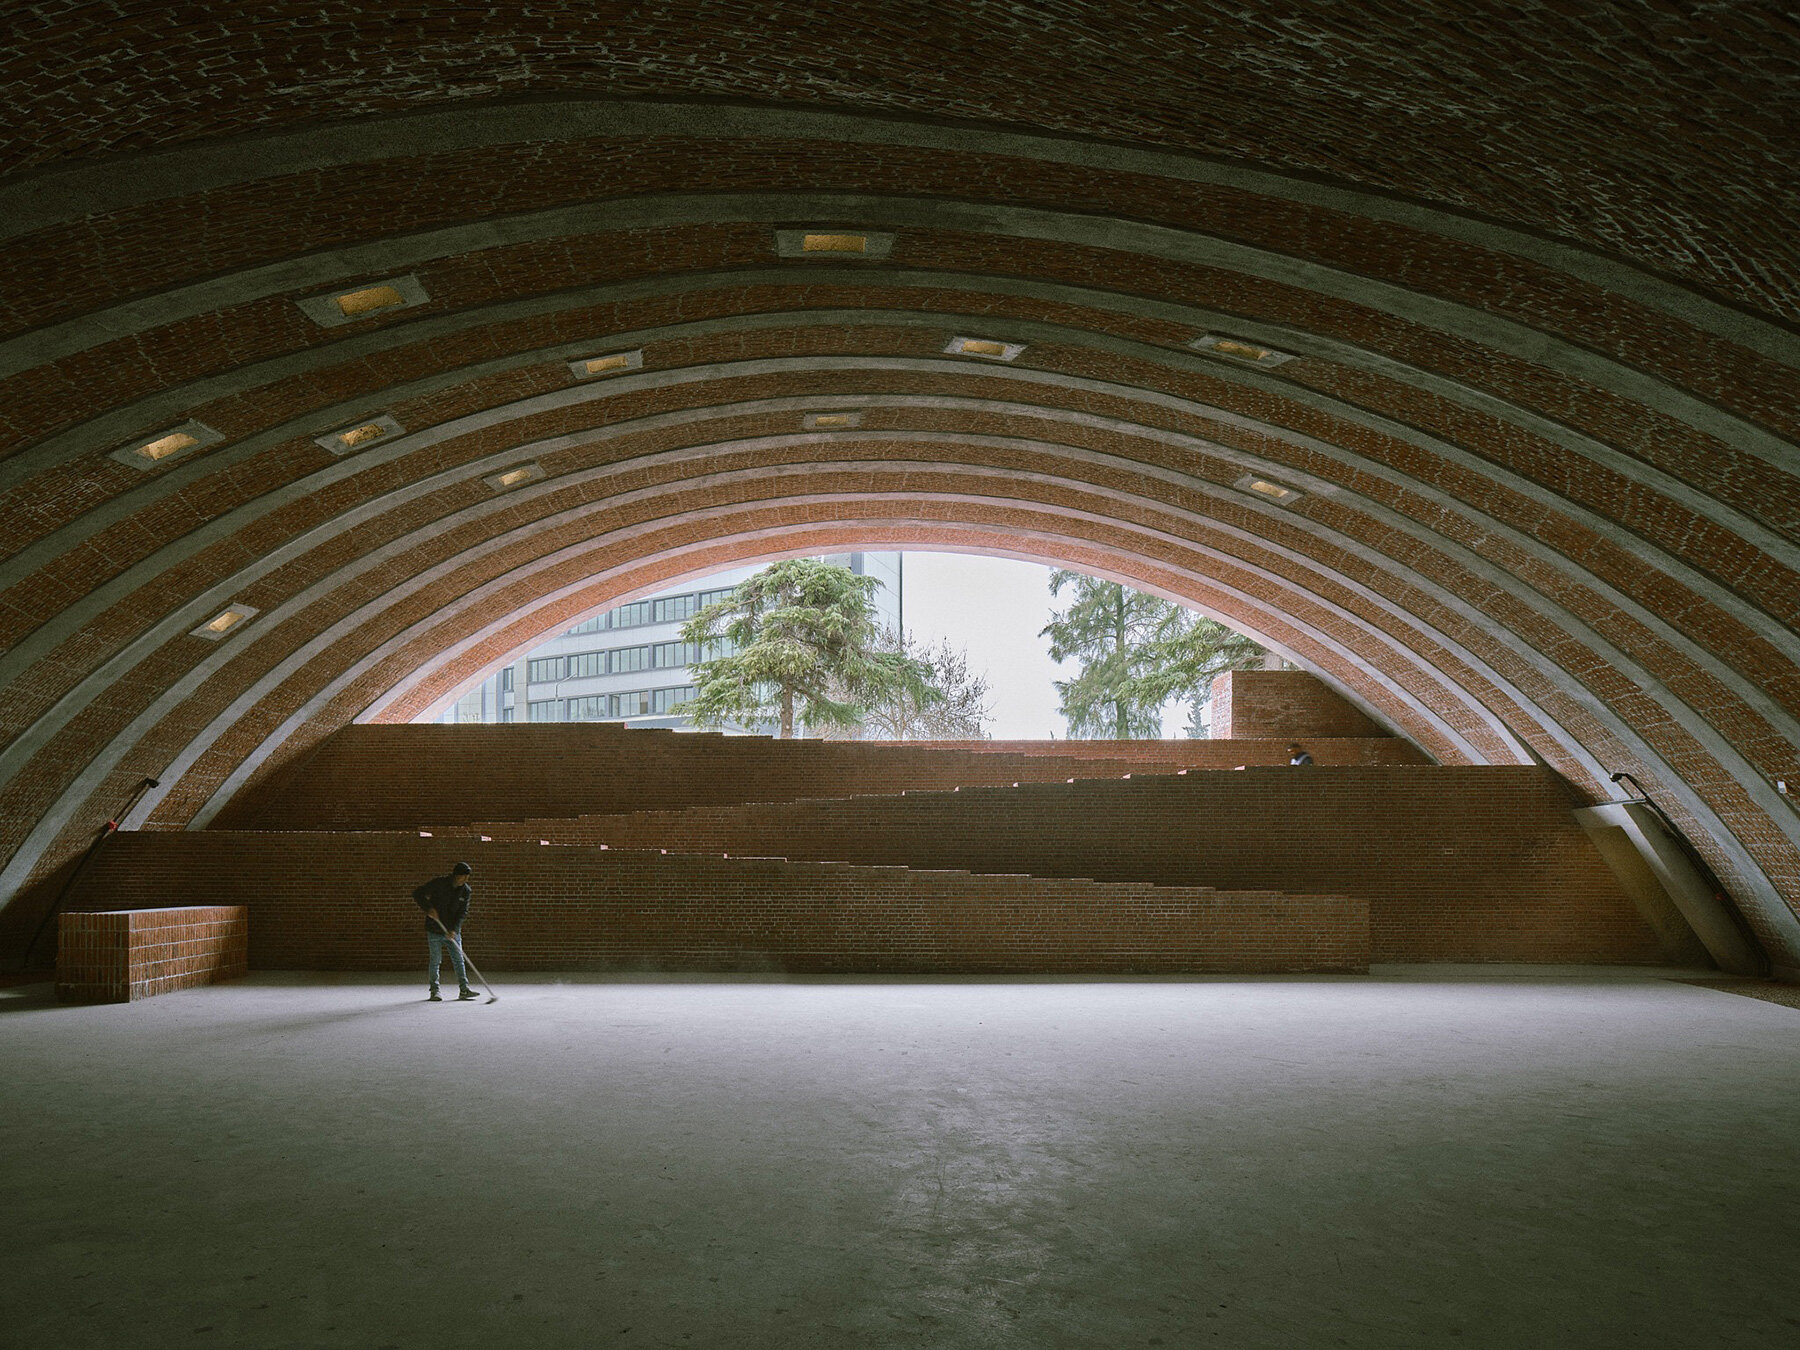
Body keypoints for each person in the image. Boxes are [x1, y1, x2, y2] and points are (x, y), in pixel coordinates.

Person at [413, 861, 477, 1001]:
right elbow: (418, 893)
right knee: (436, 960)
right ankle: (434, 991)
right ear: (456, 875)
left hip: (452, 931)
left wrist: (454, 930)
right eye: (463, 877)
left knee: (459, 960)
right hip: (435, 929)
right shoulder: (439, 884)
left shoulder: (466, 891)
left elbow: (462, 913)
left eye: (468, 878)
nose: (466, 880)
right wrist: (428, 909)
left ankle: (464, 989)